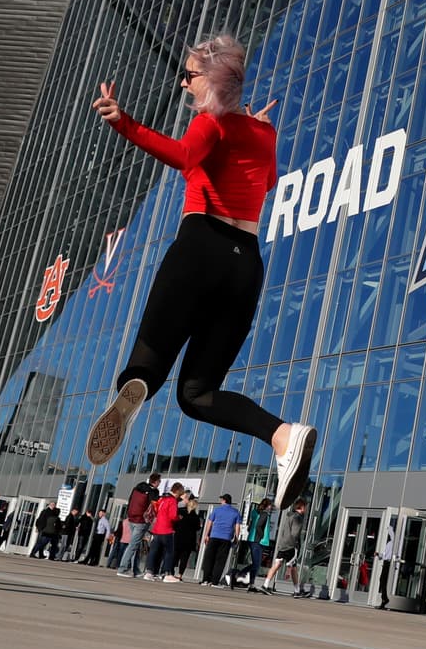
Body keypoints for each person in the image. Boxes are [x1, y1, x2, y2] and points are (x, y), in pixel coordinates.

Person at [85, 37, 316, 509]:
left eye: (189, 76)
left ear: (212, 80)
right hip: (245, 263)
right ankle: (283, 436)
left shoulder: (209, 122)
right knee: (197, 392)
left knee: (151, 361)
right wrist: (262, 129)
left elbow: (185, 156)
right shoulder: (263, 132)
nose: (184, 84)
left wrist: (123, 123)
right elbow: (267, 181)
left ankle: (140, 381)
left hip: (200, 247)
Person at [117, 473, 161, 578]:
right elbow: (155, 506)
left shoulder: (138, 487)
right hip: (141, 521)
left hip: (132, 518)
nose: (159, 483)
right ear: (155, 482)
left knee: (135, 545)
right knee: (133, 545)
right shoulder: (153, 491)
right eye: (159, 481)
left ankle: (135, 570)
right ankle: (122, 569)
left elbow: (130, 500)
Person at [261, 499, 307, 596]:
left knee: (277, 564)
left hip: (283, 544)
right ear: (301, 507)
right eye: (305, 506)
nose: (305, 509)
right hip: (291, 545)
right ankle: (297, 591)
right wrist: (297, 543)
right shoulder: (298, 518)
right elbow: (295, 533)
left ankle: (265, 585)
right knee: (293, 567)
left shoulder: (289, 515)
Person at [144, 482, 184, 583]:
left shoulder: (162, 498)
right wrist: (178, 517)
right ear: (178, 492)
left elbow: (156, 511)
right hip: (167, 529)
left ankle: (149, 572)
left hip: (157, 528)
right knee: (169, 552)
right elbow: (172, 515)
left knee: (154, 551)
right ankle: (166, 573)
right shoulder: (172, 500)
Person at [201, 493, 241, 586]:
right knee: (220, 561)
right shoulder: (235, 512)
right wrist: (236, 538)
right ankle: (214, 581)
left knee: (209, 559)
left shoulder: (217, 510)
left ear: (224, 500)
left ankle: (205, 580)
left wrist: (206, 535)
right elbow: (237, 527)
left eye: (221, 500)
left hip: (214, 536)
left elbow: (209, 523)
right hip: (226, 539)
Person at [173, 492, 201, 577]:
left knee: (175, 556)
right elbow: (198, 528)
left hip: (178, 538)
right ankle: (180, 575)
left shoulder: (181, 512)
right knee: (184, 558)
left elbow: (175, 524)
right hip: (189, 540)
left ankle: (170, 572)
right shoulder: (196, 517)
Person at [376, 525, 395, 609]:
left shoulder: (391, 543)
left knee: (383, 580)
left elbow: (387, 556)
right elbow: (385, 555)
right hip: (387, 563)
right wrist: (379, 554)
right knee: (383, 581)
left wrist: (380, 555)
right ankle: (384, 599)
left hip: (388, 564)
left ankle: (385, 599)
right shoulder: (391, 542)